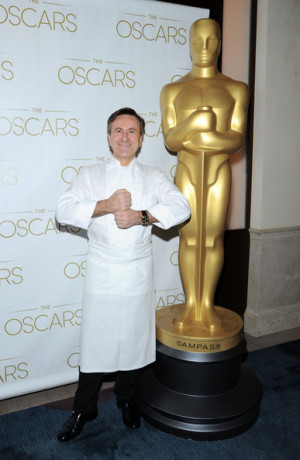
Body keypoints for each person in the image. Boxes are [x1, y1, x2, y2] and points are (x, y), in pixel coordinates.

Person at [55, 107, 190, 441]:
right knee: (95, 345)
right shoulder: (90, 174)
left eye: (132, 131)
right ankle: (83, 408)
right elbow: (63, 210)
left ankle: (126, 398)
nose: (125, 137)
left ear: (141, 139)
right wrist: (106, 205)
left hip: (137, 270)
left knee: (133, 341)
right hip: (102, 269)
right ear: (108, 136)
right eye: (118, 130)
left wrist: (142, 216)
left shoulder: (153, 176)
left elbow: (181, 206)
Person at [160, 19, 249, 332]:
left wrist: (203, 136)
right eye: (198, 40)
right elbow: (171, 140)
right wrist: (197, 121)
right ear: (189, 42)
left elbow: (236, 139)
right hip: (186, 172)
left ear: (221, 42)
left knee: (212, 240)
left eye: (211, 40)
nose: (204, 47)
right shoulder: (173, 90)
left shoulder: (236, 89)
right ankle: (190, 305)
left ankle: (206, 306)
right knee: (188, 238)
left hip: (218, 173)